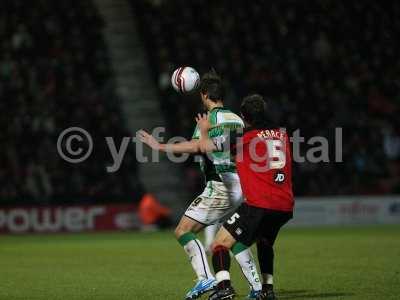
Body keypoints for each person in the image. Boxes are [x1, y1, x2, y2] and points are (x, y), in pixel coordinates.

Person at [138, 71, 262, 299]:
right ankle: (257, 289)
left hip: (220, 186)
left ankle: (205, 279)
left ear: (205, 95)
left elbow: (196, 146)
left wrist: (160, 147)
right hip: (242, 186)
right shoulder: (237, 119)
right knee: (231, 239)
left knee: (183, 230)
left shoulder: (210, 119)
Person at [196, 94, 294, 300]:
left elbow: (207, 147)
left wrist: (204, 132)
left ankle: (223, 289)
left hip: (259, 204)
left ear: (244, 116)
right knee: (264, 242)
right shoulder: (282, 135)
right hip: (284, 205)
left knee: (219, 244)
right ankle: (267, 290)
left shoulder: (243, 136)